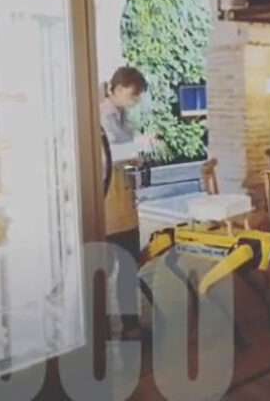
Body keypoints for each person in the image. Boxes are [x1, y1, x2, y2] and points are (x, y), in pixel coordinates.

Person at [100, 66, 152, 337]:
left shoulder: (122, 115)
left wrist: (136, 156)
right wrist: (137, 148)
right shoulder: (101, 116)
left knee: (129, 266)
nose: (136, 100)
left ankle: (130, 325)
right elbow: (106, 156)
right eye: (134, 95)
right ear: (118, 89)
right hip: (107, 204)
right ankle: (101, 328)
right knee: (104, 269)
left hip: (125, 201)